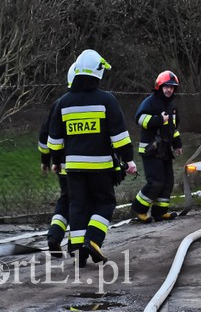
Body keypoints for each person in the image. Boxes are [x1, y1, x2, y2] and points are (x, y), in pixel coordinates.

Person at [48, 49, 137, 266]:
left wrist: (56, 161)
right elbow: (119, 136)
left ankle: (78, 251)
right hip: (101, 166)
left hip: (74, 168)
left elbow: (54, 139)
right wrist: (128, 160)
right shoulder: (107, 100)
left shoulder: (63, 103)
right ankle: (93, 240)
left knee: (77, 206)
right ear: (98, 72)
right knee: (105, 202)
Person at [130, 71, 183, 223]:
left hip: (165, 150)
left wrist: (177, 144)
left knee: (168, 182)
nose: (169, 90)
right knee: (156, 182)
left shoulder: (172, 105)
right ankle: (138, 210)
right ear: (159, 86)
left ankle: (160, 213)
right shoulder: (150, 101)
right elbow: (139, 118)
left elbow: (173, 128)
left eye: (172, 88)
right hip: (150, 149)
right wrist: (158, 119)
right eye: (166, 87)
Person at [38, 62, 75, 258]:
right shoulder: (87, 102)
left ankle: (54, 235)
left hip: (61, 163)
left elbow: (46, 134)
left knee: (65, 199)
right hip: (83, 164)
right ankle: (76, 243)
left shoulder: (58, 104)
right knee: (80, 202)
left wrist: (46, 159)